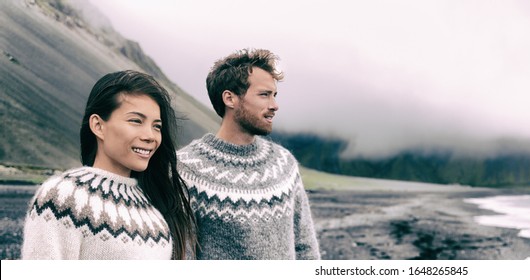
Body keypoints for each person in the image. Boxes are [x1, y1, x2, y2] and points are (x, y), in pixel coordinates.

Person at [21, 70, 196, 259]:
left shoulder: (153, 207)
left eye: (157, 126)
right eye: (136, 121)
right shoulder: (62, 199)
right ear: (98, 126)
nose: (150, 136)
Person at [177, 48, 320, 259]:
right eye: (264, 95)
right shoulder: (187, 169)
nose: (274, 105)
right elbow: (183, 256)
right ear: (230, 98)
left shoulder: (284, 164)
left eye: (274, 95)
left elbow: (305, 247)